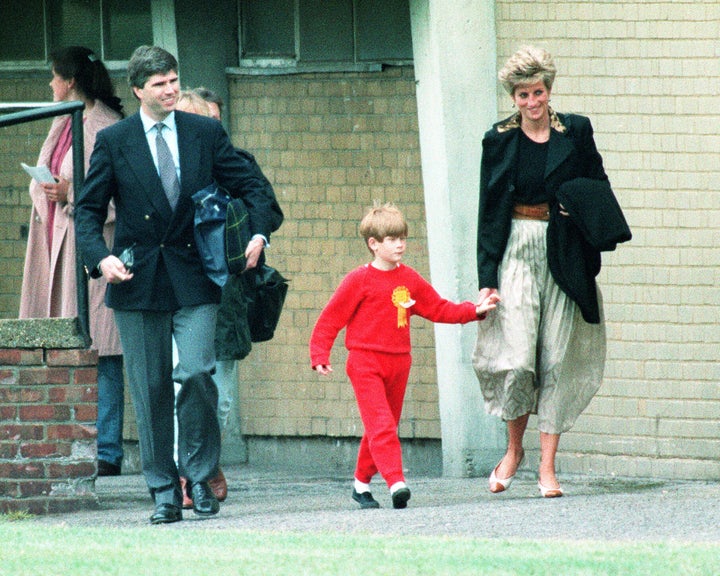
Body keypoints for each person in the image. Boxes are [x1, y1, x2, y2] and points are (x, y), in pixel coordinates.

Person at [74, 45, 277, 525]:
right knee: (149, 390)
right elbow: (86, 211)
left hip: (196, 276)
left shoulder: (205, 133)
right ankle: (164, 491)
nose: (170, 90)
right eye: (159, 83)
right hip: (136, 279)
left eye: (173, 80)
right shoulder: (115, 139)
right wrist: (100, 258)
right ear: (138, 90)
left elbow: (253, 187)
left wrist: (257, 233)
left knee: (198, 375)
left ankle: (201, 480)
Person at [472, 46, 629, 498]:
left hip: (561, 247)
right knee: (518, 360)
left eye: (538, 92)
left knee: (558, 357)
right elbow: (489, 209)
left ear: (548, 90)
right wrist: (486, 276)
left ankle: (547, 468)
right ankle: (514, 450)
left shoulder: (575, 131)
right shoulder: (498, 139)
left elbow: (598, 183)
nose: (532, 102)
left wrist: (573, 203)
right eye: (522, 95)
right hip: (516, 249)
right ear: (514, 97)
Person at [310, 203, 499, 509]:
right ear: (373, 244)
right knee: (381, 424)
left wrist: (473, 311)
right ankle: (396, 482)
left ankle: (360, 485)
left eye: (403, 238)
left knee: (382, 426)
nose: (400, 244)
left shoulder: (409, 278)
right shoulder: (358, 280)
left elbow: (438, 308)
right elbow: (331, 318)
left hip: (399, 362)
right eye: (392, 239)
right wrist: (320, 352)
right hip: (364, 362)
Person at [17, 46, 126, 477]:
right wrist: (50, 190)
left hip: (91, 249)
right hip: (54, 244)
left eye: (54, 77)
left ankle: (108, 450)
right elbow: (45, 175)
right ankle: (71, 444)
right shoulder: (64, 120)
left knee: (102, 349)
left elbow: (121, 195)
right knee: (65, 343)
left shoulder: (104, 126)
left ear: (72, 81)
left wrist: (72, 194)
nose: (50, 84)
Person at [172, 89, 282, 508]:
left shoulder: (234, 163)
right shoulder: (161, 163)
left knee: (220, 394)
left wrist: (251, 233)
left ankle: (206, 460)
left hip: (225, 290)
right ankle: (189, 474)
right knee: (181, 382)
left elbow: (268, 206)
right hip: (175, 287)